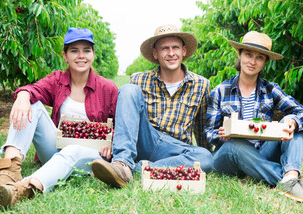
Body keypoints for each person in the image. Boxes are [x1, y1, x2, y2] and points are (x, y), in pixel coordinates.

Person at [0, 28, 118, 208]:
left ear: (93, 54)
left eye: (86, 50)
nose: (81, 56)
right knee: (32, 103)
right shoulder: (57, 80)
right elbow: (34, 89)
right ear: (64, 55)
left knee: (72, 151)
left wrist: (111, 146)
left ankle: (23, 189)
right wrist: (23, 96)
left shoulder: (108, 88)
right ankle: (7, 173)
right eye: (74, 50)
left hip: (91, 155)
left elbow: (121, 127)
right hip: (55, 149)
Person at [205, 31, 303, 203]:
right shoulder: (220, 91)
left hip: (260, 154)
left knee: (291, 122)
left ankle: (290, 178)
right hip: (228, 158)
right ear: (239, 54)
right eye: (248, 54)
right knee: (236, 144)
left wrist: (294, 122)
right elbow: (208, 133)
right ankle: (296, 182)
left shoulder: (270, 90)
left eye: (259, 57)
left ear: (265, 62)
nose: (252, 61)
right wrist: (222, 136)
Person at [91, 24, 213, 187]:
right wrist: (111, 142)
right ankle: (122, 164)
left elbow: (201, 127)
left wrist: (207, 155)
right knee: (128, 90)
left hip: (174, 149)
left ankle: (138, 169)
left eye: (175, 47)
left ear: (183, 51)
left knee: (204, 157)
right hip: (147, 138)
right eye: (164, 48)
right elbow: (126, 117)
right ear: (155, 53)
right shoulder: (139, 79)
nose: (171, 53)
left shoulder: (201, 84)